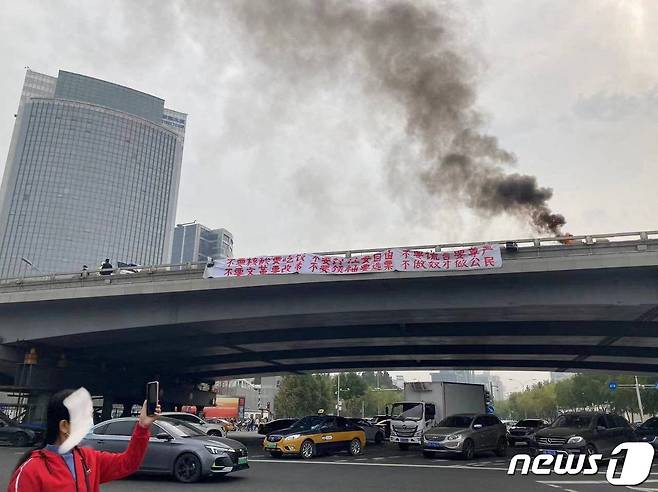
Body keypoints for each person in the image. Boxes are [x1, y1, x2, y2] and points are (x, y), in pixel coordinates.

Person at [8, 389, 160, 491]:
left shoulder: (88, 458)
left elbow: (128, 463)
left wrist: (142, 426)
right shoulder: (30, 471)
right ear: (64, 426)